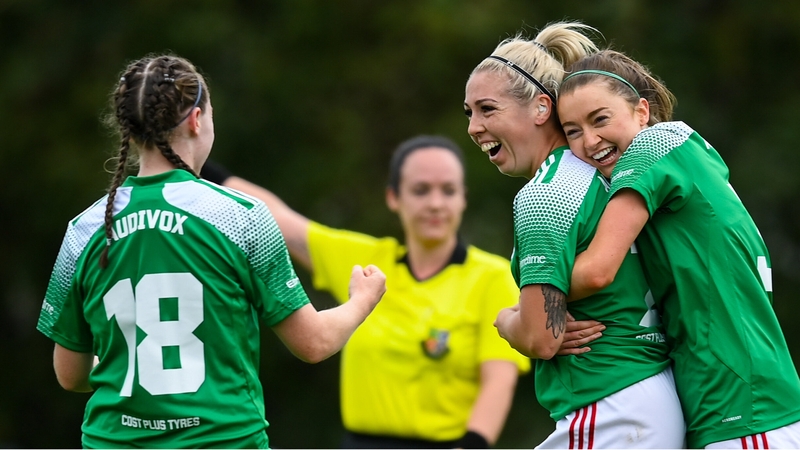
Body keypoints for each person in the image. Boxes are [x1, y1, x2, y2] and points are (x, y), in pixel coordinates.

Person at [36, 54, 387, 449]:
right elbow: (313, 344)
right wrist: (362, 299)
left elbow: (70, 375)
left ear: (130, 131)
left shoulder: (85, 229)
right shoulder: (240, 216)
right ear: (197, 119)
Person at [200, 134, 531, 449]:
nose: (435, 203)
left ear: (463, 198)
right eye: (420, 190)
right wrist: (190, 163)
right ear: (393, 197)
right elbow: (276, 217)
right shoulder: (365, 262)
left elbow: (498, 382)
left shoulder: (491, 276)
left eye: (448, 190)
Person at [557, 49, 800, 448]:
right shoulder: (683, 151)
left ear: (641, 111)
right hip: (731, 401)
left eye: (600, 119)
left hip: (744, 408)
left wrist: (523, 313)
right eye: (572, 130)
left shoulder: (651, 149)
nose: (589, 141)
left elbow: (597, 271)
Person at [463, 22, 686, 448]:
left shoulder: (545, 196)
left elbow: (539, 339)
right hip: (642, 397)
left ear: (542, 109)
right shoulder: (602, 172)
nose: (474, 126)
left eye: (488, 109)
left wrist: (508, 321)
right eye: (469, 112)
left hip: (609, 405)